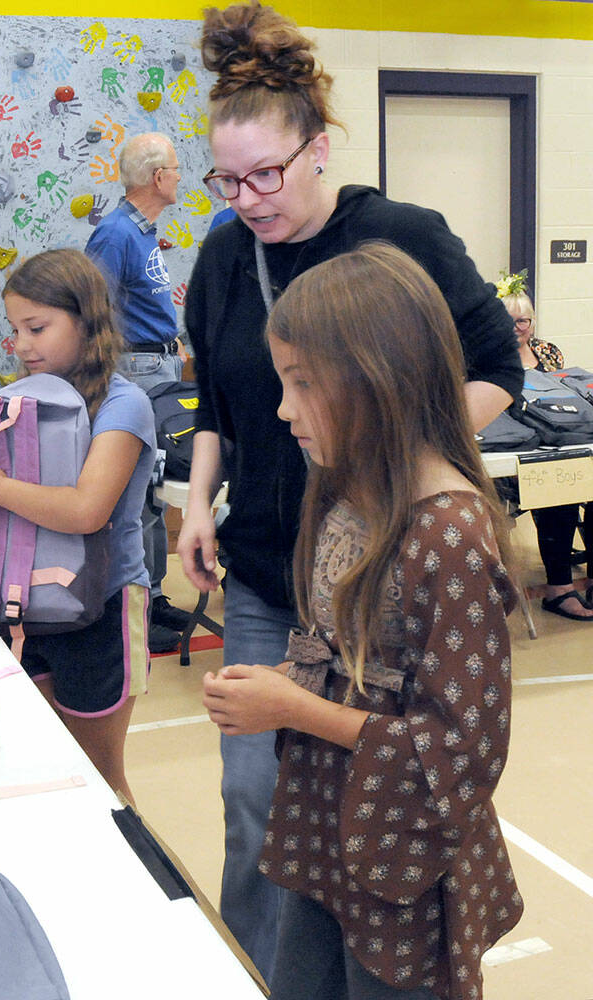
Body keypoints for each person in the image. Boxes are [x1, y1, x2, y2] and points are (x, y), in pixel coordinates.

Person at [179, 1, 522, 980]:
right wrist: (200, 502)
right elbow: (218, 403)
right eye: (226, 179)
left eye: (265, 175)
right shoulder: (220, 257)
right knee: (262, 802)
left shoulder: (400, 236)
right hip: (273, 570)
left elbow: (498, 366)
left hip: (377, 578)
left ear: (316, 148)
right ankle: (268, 969)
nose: (245, 197)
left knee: (363, 802)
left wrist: (394, 464)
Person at [201, 242, 523, 1000]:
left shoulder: (449, 537)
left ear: (376, 378)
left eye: (301, 384)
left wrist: (294, 708)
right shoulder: (345, 491)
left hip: (398, 857)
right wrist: (287, 678)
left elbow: (461, 751)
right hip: (326, 831)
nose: (282, 410)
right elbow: (357, 658)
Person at [0, 249, 156, 804]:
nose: (23, 345)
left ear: (88, 321)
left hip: (101, 610)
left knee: (99, 777)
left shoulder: (123, 405)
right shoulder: (20, 407)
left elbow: (88, 511)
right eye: (15, 330)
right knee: (39, 761)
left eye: (37, 327)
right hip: (24, 612)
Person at [84, 131, 190, 652]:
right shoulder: (115, 234)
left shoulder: (142, 231)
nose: (179, 176)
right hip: (137, 366)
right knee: (139, 493)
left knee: (153, 489)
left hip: (159, 363)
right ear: (156, 177)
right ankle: (137, 608)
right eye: (174, 168)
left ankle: (153, 597)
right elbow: (93, 311)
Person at [496, 274, 592, 620]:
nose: (517, 328)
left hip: (553, 446)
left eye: (523, 320)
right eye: (508, 321)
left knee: (589, 484)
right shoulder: (488, 358)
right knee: (560, 489)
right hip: (513, 462)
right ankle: (559, 590)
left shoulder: (547, 352)